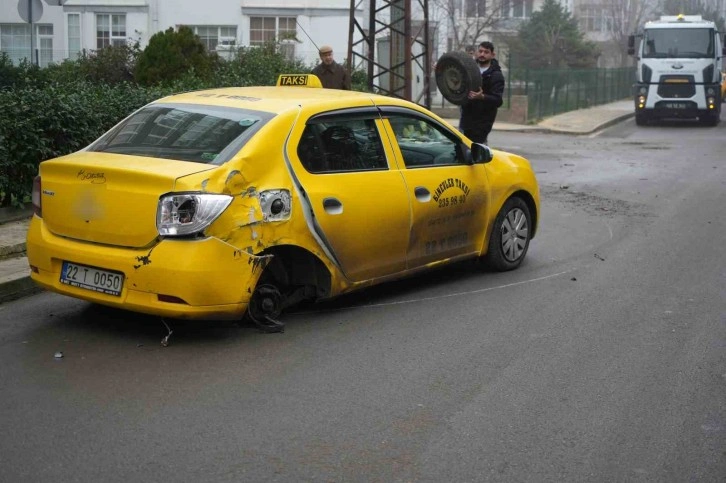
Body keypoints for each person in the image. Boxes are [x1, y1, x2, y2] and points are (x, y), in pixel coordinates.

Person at [460, 41, 504, 144]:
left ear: (492, 55)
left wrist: (482, 97)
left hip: (482, 123)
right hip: (466, 119)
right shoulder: (468, 69)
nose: (482, 54)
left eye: (486, 52)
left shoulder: (496, 75)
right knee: (462, 150)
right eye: (480, 51)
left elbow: (498, 100)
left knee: (478, 152)